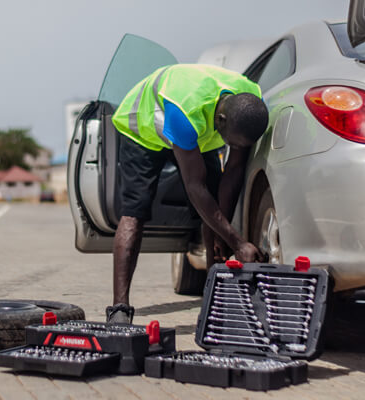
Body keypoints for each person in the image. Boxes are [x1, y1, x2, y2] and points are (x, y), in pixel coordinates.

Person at [106, 63, 269, 324]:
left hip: (198, 131)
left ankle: (213, 297)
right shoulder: (185, 111)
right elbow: (195, 187)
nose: (233, 148)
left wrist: (223, 234)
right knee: (135, 211)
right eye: (231, 142)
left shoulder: (248, 102)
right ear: (222, 122)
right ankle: (119, 308)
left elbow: (234, 171)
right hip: (144, 129)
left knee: (214, 202)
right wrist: (237, 242)